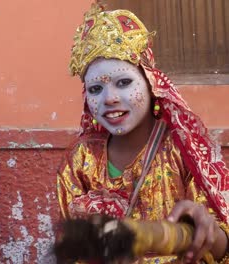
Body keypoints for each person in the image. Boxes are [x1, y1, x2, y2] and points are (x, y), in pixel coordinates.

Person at [56, 4, 229, 263]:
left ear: (151, 84)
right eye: (95, 89)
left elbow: (221, 247)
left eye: (124, 82)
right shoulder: (80, 159)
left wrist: (209, 231)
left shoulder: (184, 150)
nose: (109, 99)